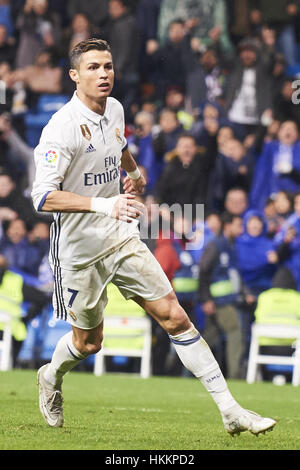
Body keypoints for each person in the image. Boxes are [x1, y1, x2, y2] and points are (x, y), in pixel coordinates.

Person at [31, 38, 276, 436]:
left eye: (108, 66)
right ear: (74, 75)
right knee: (89, 342)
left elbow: (118, 144)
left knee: (175, 316)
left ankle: (230, 409)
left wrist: (132, 171)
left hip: (120, 236)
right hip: (78, 250)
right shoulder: (60, 128)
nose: (104, 73)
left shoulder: (114, 109)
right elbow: (43, 196)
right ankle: (50, 376)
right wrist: (104, 204)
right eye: (93, 67)